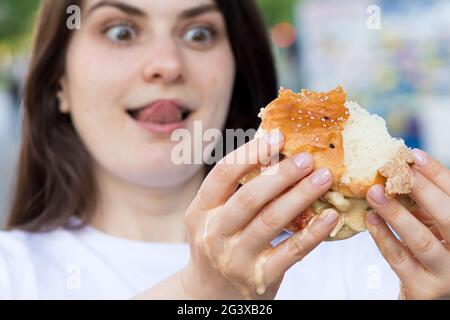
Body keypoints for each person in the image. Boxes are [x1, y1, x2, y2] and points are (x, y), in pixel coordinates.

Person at [1, 0, 449, 300]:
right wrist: (199, 296)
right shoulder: (12, 273)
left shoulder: (388, 264)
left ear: (238, 66)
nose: (167, 64)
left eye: (198, 34)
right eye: (120, 31)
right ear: (57, 81)